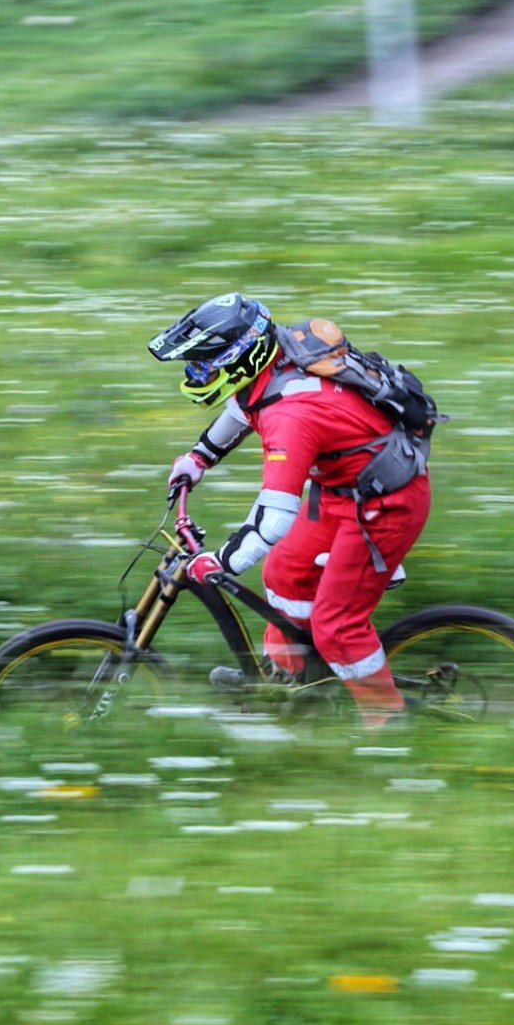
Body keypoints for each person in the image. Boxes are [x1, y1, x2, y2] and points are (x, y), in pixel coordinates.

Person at [147, 293, 432, 728]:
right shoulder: (274, 363)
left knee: (336, 626)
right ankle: (296, 684)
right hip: (341, 491)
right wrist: (198, 458)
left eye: (203, 366)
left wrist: (221, 562)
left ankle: (388, 723)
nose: (196, 375)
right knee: (285, 575)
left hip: (384, 506)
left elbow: (274, 516)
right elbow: (243, 409)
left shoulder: (292, 417)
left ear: (238, 359)